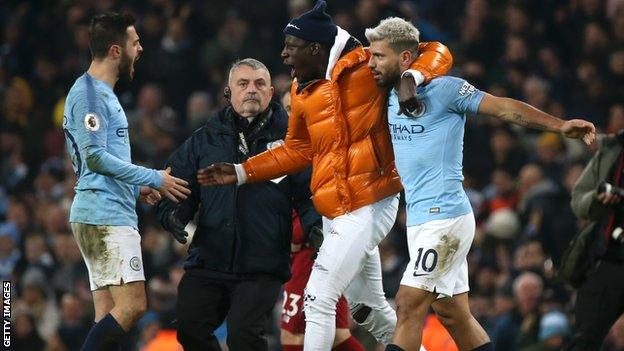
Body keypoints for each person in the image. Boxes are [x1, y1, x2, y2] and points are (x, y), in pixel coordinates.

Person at [197, 1, 452, 349]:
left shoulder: (367, 64)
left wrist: (411, 77)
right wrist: (242, 171)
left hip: (371, 199)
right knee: (368, 309)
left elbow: (436, 51)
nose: (284, 55)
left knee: (318, 297)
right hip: (335, 207)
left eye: (291, 47)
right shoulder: (303, 90)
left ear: (315, 48)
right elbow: (297, 150)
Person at [363, 17, 595, 351]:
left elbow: (504, 109)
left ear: (404, 58)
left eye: (379, 57)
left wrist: (558, 126)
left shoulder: (445, 90)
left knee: (408, 304)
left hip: (446, 218)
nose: (372, 64)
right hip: (419, 221)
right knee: (453, 314)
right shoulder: (385, 95)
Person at [155, 58, 318, 351]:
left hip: (262, 263)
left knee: (243, 337)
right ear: (229, 93)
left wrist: (316, 228)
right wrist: (174, 215)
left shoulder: (293, 139)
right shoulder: (205, 138)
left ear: (270, 92)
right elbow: (176, 185)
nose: (251, 90)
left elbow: (310, 193)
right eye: (243, 84)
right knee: (190, 329)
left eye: (259, 84)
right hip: (209, 258)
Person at [62, 12, 190, 351]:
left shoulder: (98, 93)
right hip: (105, 216)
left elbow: (98, 163)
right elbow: (94, 157)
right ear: (117, 50)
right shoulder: (90, 95)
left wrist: (137, 187)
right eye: (136, 43)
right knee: (133, 306)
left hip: (99, 210)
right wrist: (154, 177)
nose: (141, 48)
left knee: (106, 315)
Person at [279, 91, 364, 351]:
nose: (291, 116)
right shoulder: (291, 148)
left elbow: (322, 203)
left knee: (291, 337)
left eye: (295, 109)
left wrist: (294, 237)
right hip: (316, 253)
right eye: (287, 110)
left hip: (310, 254)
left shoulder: (322, 149)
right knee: (338, 335)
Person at [566, 130, 624, 350]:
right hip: (610, 258)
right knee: (584, 340)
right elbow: (578, 201)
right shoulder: (614, 148)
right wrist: (598, 198)